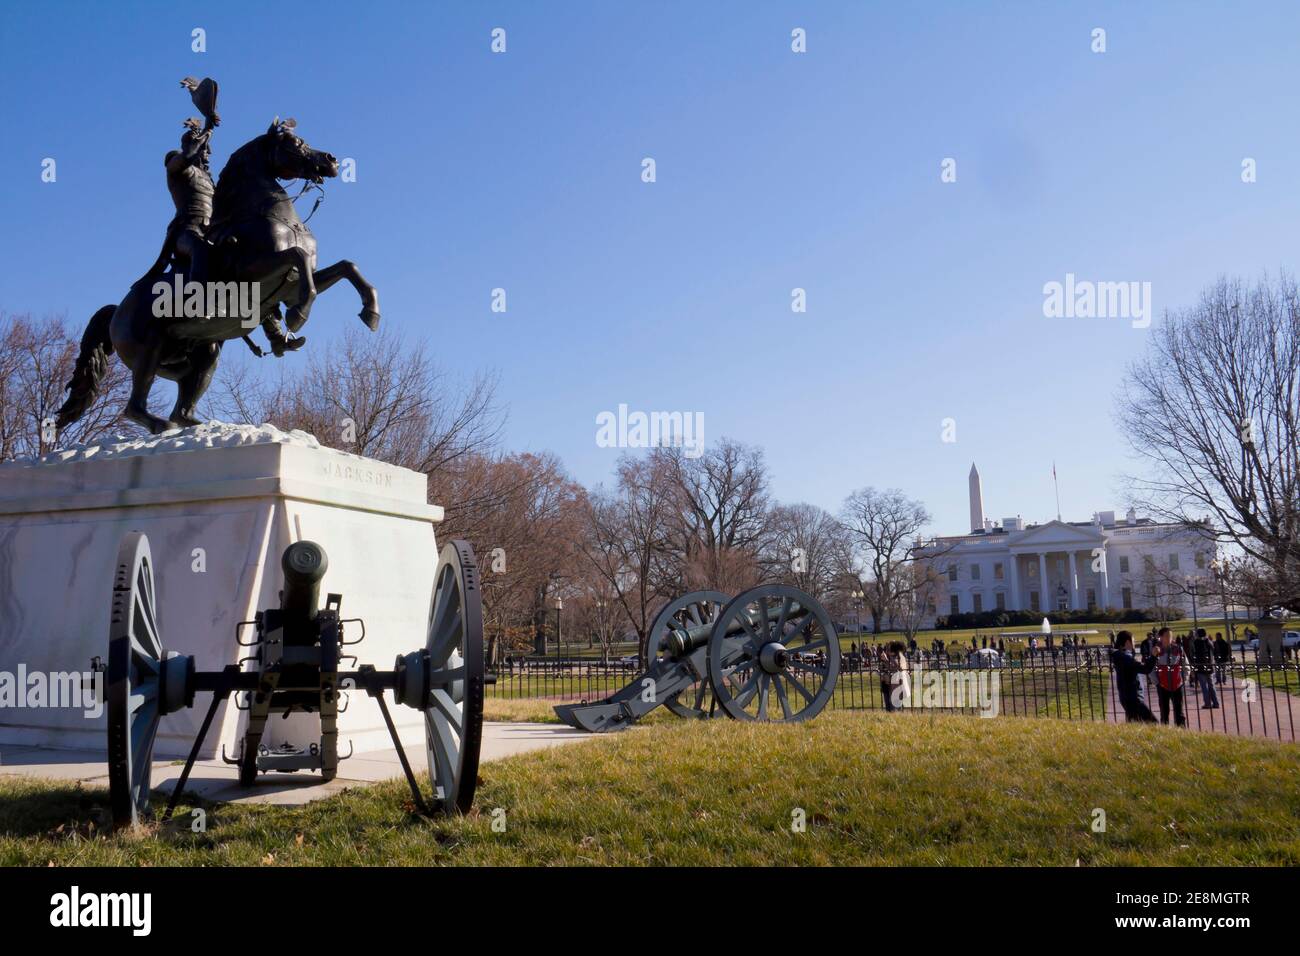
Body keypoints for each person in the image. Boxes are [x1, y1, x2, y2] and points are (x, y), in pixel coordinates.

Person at [1111, 630, 1157, 722]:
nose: (1134, 642)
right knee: (1152, 722)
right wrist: (1153, 656)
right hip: (1133, 697)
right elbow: (1146, 669)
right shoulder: (1125, 658)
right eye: (1133, 640)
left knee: (1134, 724)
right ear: (1128, 642)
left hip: (1126, 696)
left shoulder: (1121, 656)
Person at [1153, 627, 1188, 726]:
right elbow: (1151, 668)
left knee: (1179, 712)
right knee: (1164, 712)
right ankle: (1165, 732)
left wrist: (1184, 678)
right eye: (1167, 636)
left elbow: (1186, 665)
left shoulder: (1178, 648)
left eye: (1170, 636)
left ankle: (1181, 731)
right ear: (1161, 637)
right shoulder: (1156, 649)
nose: (1169, 638)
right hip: (1162, 686)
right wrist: (1157, 683)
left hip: (1177, 685)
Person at [1190, 628, 1219, 709]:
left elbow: (1193, 655)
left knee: (1204, 686)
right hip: (1210, 665)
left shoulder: (1196, 642)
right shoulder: (1208, 642)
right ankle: (1216, 702)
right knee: (1211, 685)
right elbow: (1214, 651)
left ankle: (1207, 703)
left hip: (1200, 666)